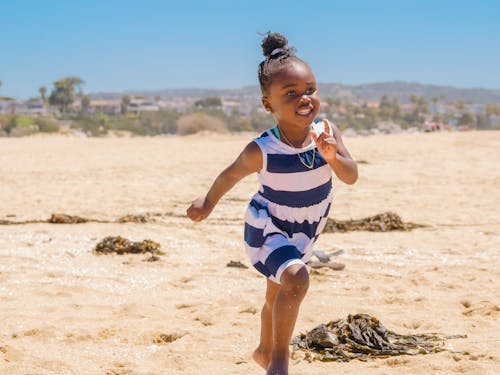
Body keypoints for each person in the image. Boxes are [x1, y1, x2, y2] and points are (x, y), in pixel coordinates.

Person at [187, 32, 358, 375]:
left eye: (310, 89)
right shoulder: (262, 149)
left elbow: (351, 175)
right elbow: (231, 175)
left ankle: (265, 351)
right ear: (269, 104)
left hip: (308, 227)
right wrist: (207, 202)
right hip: (270, 227)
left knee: (276, 294)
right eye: (290, 94)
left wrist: (332, 155)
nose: (304, 99)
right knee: (296, 280)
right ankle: (279, 363)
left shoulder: (326, 131)